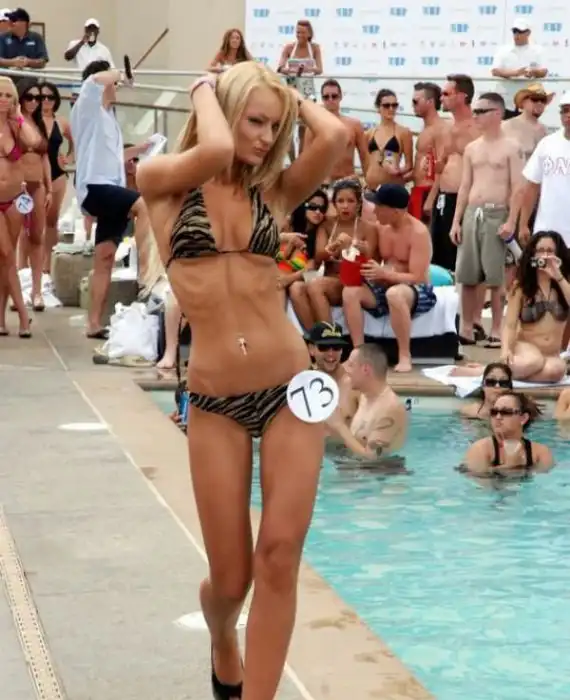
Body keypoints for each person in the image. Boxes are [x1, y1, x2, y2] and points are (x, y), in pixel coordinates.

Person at [136, 62, 347, 700]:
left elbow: (336, 137)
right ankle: (222, 634)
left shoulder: (274, 191)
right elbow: (215, 151)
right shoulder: (161, 183)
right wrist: (206, 86)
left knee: (278, 555)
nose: (264, 137)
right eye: (254, 121)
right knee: (230, 582)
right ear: (224, 112)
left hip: (290, 388)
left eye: (274, 127)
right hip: (215, 400)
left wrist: (286, 91)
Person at [70, 60, 151, 339]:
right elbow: (94, 80)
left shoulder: (109, 118)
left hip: (111, 187)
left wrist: (141, 148)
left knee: (104, 258)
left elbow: (113, 158)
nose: (116, 87)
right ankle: (148, 273)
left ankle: (93, 323)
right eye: (113, 83)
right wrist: (121, 74)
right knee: (144, 205)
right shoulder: (87, 106)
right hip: (96, 187)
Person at [450, 92, 523, 348]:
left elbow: (518, 187)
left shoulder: (511, 147)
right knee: (467, 274)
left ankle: (496, 328)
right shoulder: (472, 148)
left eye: (481, 111)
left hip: (496, 213)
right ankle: (467, 327)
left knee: (495, 277)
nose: (476, 116)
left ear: (497, 113)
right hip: (472, 213)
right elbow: (464, 186)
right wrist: (456, 221)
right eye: (475, 111)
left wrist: (511, 221)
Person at [342, 184, 436, 373]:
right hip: (384, 282)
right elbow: (373, 259)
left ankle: (404, 355)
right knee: (350, 292)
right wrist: (354, 247)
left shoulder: (418, 233)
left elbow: (418, 277)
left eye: (379, 207)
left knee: (395, 294)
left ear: (395, 211)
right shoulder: (381, 228)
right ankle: (359, 353)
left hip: (414, 288)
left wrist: (385, 274)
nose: (374, 211)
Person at [0, 75, 40, 337]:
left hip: (14, 199)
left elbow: (34, 141)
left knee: (4, 260)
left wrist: (18, 118)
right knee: (6, 255)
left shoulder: (16, 125)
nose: (3, 100)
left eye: (8, 96)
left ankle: (1, 319)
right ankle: (24, 316)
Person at [305, 179, 376, 325]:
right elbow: (318, 257)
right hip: (330, 279)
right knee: (296, 288)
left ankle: (329, 333)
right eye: (340, 201)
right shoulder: (327, 225)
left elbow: (372, 260)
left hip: (354, 282)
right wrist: (335, 245)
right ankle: (312, 332)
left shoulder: (368, 228)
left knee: (315, 285)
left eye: (350, 201)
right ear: (334, 203)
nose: (345, 206)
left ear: (358, 204)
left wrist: (356, 247)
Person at [502, 231, 569, 382]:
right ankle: (503, 371)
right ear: (532, 255)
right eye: (540, 251)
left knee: (556, 370)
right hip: (526, 350)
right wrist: (505, 350)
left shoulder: (564, 283)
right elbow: (510, 325)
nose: (545, 256)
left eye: (550, 251)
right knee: (533, 362)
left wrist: (558, 276)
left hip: (552, 354)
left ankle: (503, 373)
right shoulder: (521, 286)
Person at [428, 74, 479, 275]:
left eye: (446, 93)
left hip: (464, 200)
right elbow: (442, 166)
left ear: (462, 96)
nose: (441, 98)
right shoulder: (446, 127)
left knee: (460, 259)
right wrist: (432, 196)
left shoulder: (476, 128)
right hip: (443, 199)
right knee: (439, 258)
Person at [326, 344, 407, 465]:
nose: (345, 368)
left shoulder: (390, 408)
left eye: (351, 365)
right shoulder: (363, 396)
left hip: (381, 473)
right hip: (354, 468)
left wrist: (339, 426)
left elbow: (372, 459)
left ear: (365, 369)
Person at [516, 92, 570, 249]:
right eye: (565, 110)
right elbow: (532, 186)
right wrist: (523, 224)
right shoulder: (547, 144)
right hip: (546, 232)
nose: (568, 115)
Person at [16, 78, 51, 311]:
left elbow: (44, 156)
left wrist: (48, 187)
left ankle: (36, 291)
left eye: (37, 98)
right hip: (16, 185)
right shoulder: (13, 122)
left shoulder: (39, 124)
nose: (34, 102)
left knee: (37, 237)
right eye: (29, 97)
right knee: (14, 239)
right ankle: (16, 290)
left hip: (37, 183)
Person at [462, 392, 553, 478]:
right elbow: (482, 486)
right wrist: (511, 466)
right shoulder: (480, 449)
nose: (498, 417)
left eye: (506, 412)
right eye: (494, 412)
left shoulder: (540, 453)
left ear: (523, 418)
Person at [302, 80, 367, 183]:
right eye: (326, 97)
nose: (330, 100)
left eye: (334, 96)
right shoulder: (312, 127)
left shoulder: (354, 125)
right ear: (322, 99)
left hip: (348, 182)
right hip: (322, 183)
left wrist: (368, 183)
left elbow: (365, 157)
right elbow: (306, 161)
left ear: (340, 97)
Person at [40, 81, 73, 272]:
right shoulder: (29, 120)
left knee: (52, 221)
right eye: (42, 97)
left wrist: (68, 158)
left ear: (56, 100)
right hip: (36, 175)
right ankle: (26, 267)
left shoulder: (61, 122)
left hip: (57, 174)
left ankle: (48, 266)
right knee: (32, 223)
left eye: (50, 97)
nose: (46, 100)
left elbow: (76, 141)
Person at [279, 189, 327, 319]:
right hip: (273, 275)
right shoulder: (287, 225)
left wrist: (287, 280)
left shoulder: (320, 235)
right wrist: (288, 240)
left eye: (322, 209)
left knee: (289, 288)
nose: (318, 212)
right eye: (313, 207)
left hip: (300, 278)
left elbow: (312, 270)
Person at [491, 19, 547, 120]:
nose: (517, 35)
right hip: (507, 101)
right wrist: (515, 73)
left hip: (529, 101)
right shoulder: (503, 50)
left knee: (528, 128)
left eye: (520, 32)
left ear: (528, 33)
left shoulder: (538, 50)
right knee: (506, 128)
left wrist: (534, 72)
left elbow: (544, 71)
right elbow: (495, 70)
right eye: (515, 31)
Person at [410, 81, 449, 224]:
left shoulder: (440, 129)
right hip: (418, 190)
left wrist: (431, 198)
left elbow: (442, 166)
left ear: (430, 102)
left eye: (416, 101)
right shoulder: (426, 128)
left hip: (428, 191)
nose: (412, 105)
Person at [306, 321, 357, 427]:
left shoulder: (355, 385)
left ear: (341, 350)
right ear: (311, 349)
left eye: (336, 347)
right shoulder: (302, 386)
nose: (331, 354)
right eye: (323, 347)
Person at [365, 88, 413, 191]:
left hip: (391, 189)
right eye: (386, 105)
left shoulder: (404, 132)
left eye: (394, 105)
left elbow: (409, 165)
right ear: (378, 108)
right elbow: (367, 162)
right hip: (371, 188)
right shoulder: (369, 133)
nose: (391, 109)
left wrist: (397, 172)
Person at [0, 8, 48, 72]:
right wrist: (13, 62)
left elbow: (43, 61)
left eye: (14, 20)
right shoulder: (2, 38)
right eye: (9, 20)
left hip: (31, 76)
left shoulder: (36, 37)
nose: (10, 23)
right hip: (8, 77)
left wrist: (28, 62)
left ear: (24, 23)